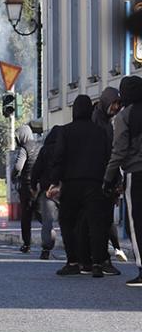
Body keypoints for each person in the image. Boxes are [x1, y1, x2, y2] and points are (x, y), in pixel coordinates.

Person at [48, 94, 113, 278]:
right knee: (96, 224)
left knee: (67, 221)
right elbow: (108, 157)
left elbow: (59, 157)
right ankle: (97, 263)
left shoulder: (66, 131)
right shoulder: (99, 132)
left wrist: (55, 180)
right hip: (95, 183)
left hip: (72, 184)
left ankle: (73, 261)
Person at [103, 75, 142, 286]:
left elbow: (118, 152)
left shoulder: (124, 117)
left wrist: (108, 178)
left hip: (136, 173)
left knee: (137, 223)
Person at [91, 87, 129, 263]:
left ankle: (107, 253)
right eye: (114, 103)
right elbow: (108, 153)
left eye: (118, 104)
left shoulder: (106, 121)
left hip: (107, 176)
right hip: (101, 177)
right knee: (102, 219)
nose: (116, 108)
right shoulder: (98, 122)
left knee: (105, 218)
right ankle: (103, 258)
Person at [30, 126, 62, 260]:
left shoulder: (45, 150)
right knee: (67, 221)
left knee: (47, 222)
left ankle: (46, 249)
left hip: (47, 190)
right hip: (62, 189)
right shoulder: (65, 149)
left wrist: (33, 185)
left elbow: (36, 169)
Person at [12, 125, 42, 253]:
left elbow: (19, 166)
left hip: (27, 187)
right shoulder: (40, 146)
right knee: (43, 215)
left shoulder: (24, 149)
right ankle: (48, 242)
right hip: (40, 186)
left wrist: (13, 175)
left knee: (26, 216)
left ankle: (27, 244)